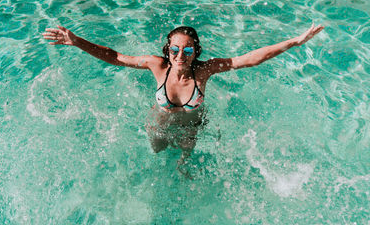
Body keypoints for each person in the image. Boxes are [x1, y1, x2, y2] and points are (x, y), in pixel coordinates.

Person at [43, 24, 324, 167]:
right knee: (157, 151)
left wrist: (295, 41)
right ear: (167, 50)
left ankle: (182, 169)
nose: (180, 55)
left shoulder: (205, 71)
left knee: (184, 160)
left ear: (196, 52)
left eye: (187, 50)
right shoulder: (158, 65)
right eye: (175, 49)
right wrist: (75, 40)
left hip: (192, 126)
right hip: (160, 122)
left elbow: (249, 59)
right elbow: (115, 57)